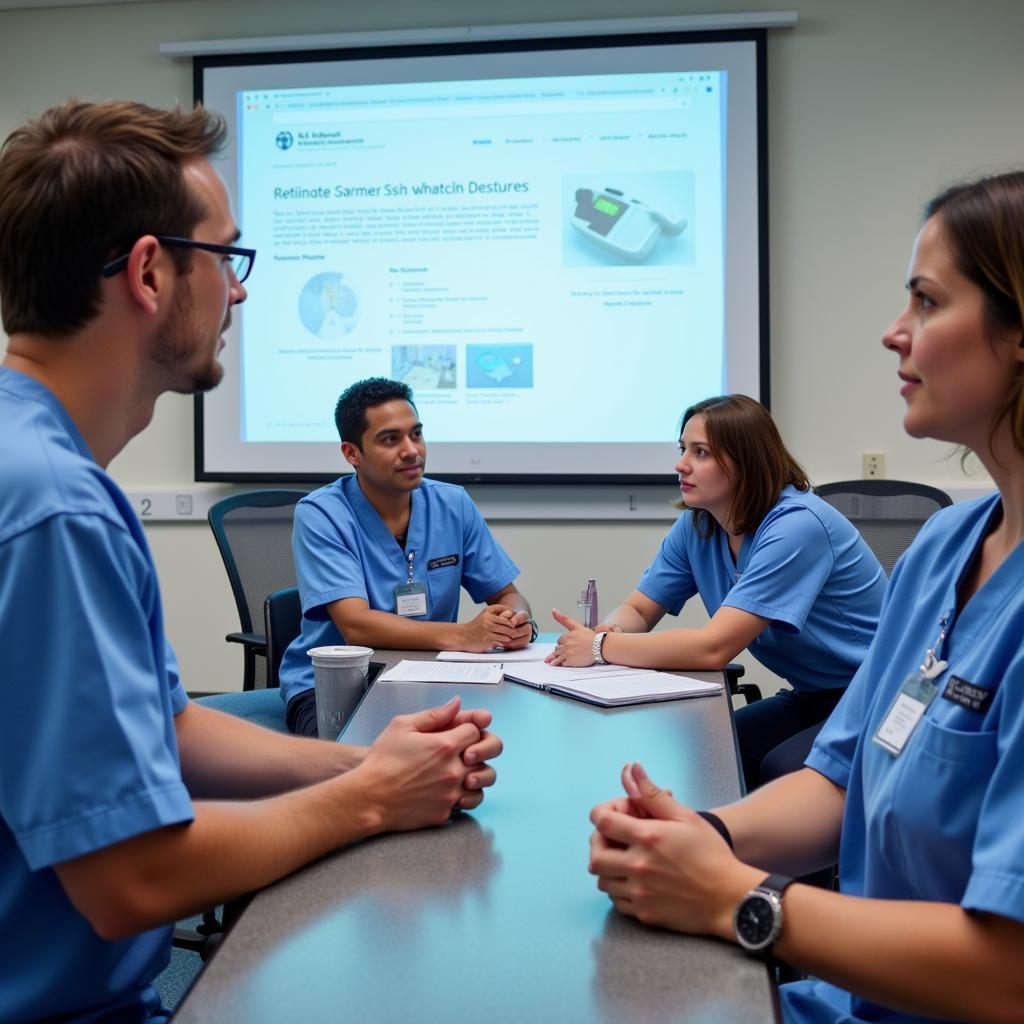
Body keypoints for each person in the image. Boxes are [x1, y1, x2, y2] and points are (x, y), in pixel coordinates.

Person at [0, 100, 502, 1024]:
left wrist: (351, 766)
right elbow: (133, 876)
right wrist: (371, 802)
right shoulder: (55, 506)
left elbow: (170, 725)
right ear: (151, 271)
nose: (238, 293)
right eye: (227, 260)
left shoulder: (33, 463)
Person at [587, 171, 1024, 1024]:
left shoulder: (797, 524)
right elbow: (842, 775)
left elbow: (1008, 977)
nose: (894, 333)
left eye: (928, 303)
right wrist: (702, 838)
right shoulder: (944, 547)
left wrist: (740, 899)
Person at [548, 395, 886, 790]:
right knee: (710, 749)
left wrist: (598, 647)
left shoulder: (797, 526)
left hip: (878, 696)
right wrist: (610, 630)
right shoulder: (700, 525)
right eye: (683, 449)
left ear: (747, 461)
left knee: (782, 770)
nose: (681, 464)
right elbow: (640, 608)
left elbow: (714, 648)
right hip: (817, 697)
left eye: (701, 452)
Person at [279, 376, 534, 736]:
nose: (412, 450)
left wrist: (516, 621)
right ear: (352, 453)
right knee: (361, 766)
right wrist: (464, 635)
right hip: (337, 684)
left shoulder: (452, 503)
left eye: (416, 434)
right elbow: (356, 625)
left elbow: (507, 593)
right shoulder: (321, 513)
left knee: (494, 740)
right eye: (390, 439)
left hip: (431, 677)